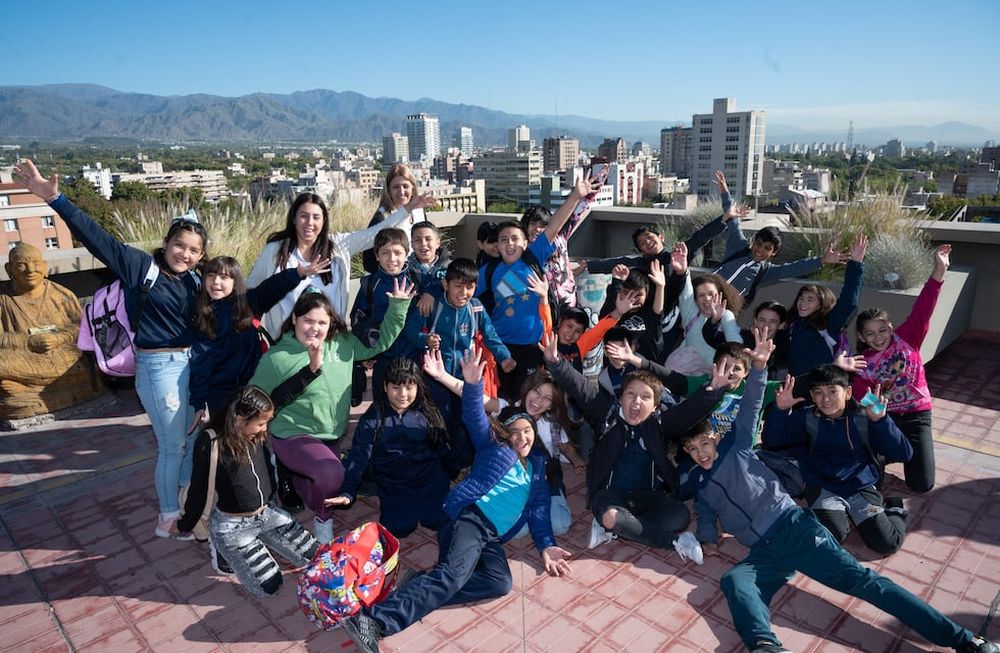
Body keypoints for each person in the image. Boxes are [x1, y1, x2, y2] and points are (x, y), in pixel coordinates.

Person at [680, 331, 998, 653]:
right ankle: (765, 645)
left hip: (794, 527)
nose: (700, 452)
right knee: (735, 581)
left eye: (704, 443)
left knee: (864, 582)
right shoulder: (698, 481)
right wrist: (706, 534)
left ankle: (964, 639)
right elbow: (706, 508)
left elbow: (750, 406)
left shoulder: (738, 449)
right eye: (692, 449)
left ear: (716, 438)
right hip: (765, 550)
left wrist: (760, 367)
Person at [14, 159, 207, 539]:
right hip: (158, 369)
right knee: (171, 445)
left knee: (190, 436)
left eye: (194, 250)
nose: (185, 254)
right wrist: (55, 198)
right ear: (166, 243)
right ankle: (168, 516)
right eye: (179, 246)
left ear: (202, 255)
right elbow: (97, 237)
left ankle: (188, 500)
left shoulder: (195, 281)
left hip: (189, 365)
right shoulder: (141, 267)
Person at [341, 346, 574, 653]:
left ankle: (419, 581)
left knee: (498, 582)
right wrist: (474, 385)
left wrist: (546, 545)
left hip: (491, 536)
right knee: (452, 575)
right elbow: (476, 418)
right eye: (515, 432)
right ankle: (375, 620)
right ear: (505, 435)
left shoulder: (536, 470)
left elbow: (540, 511)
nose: (522, 437)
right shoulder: (496, 449)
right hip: (469, 518)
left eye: (528, 432)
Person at [248, 279, 413, 543]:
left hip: (332, 434)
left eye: (322, 322)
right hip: (292, 434)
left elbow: (380, 344)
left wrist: (398, 307)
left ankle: (297, 476)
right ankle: (322, 518)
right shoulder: (277, 357)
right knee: (332, 475)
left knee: (332, 476)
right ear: (294, 320)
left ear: (331, 324)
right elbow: (253, 397)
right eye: (307, 321)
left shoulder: (343, 344)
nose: (315, 328)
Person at [540, 332, 729, 560]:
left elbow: (689, 411)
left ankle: (617, 528)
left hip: (646, 497)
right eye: (630, 395)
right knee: (610, 515)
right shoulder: (607, 414)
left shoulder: (660, 424)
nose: (636, 402)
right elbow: (580, 387)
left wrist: (713, 391)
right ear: (621, 399)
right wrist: (556, 363)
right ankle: (674, 541)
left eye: (645, 397)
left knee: (680, 516)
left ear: (655, 405)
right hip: (609, 495)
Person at [173, 386, 319, 596]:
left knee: (316, 556)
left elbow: (283, 393)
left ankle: (259, 544)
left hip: (267, 514)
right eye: (260, 424)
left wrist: (313, 367)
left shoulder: (252, 430)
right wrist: (183, 525)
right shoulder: (211, 442)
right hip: (234, 527)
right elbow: (199, 490)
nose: (264, 429)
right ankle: (222, 548)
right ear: (240, 420)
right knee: (270, 587)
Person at [247, 187, 434, 339]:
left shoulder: (338, 245)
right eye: (304, 216)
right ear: (294, 218)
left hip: (331, 342)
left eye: (316, 217)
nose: (309, 223)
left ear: (324, 221)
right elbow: (252, 291)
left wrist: (408, 208)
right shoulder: (275, 251)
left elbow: (374, 233)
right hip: (287, 344)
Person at [763, 365, 911, 556]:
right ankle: (841, 516)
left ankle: (894, 508)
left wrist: (881, 421)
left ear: (848, 392)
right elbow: (772, 441)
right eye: (818, 393)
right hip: (823, 487)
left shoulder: (864, 416)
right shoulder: (807, 417)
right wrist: (780, 410)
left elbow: (905, 453)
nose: (826, 399)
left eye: (833, 391)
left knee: (887, 544)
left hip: (860, 487)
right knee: (832, 536)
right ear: (812, 396)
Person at [478, 174, 602, 399]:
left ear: (526, 243)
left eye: (515, 238)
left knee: (533, 397)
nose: (510, 243)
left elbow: (554, 226)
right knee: (505, 398)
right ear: (496, 245)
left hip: (534, 346)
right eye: (503, 239)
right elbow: (465, 295)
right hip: (501, 347)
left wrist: (575, 196)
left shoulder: (533, 258)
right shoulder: (487, 271)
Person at [852, 244, 952, 494]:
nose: (878, 337)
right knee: (871, 480)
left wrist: (939, 271)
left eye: (883, 330)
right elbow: (861, 397)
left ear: (891, 328)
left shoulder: (908, 338)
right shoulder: (861, 363)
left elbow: (925, 305)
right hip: (886, 419)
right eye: (870, 334)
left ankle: (900, 453)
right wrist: (882, 427)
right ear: (862, 337)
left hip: (918, 416)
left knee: (922, 484)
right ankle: (887, 453)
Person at [188, 255, 329, 428]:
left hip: (253, 386)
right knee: (226, 437)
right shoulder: (204, 314)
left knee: (255, 434)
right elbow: (201, 361)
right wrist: (199, 402)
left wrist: (298, 273)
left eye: (224, 277)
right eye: (210, 276)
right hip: (220, 392)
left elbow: (273, 286)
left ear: (235, 282)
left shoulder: (250, 302)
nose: (216, 282)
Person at [329, 358, 451, 538]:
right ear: (385, 387)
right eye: (396, 387)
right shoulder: (373, 418)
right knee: (399, 528)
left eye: (409, 387)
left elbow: (444, 449)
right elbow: (359, 456)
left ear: (418, 387)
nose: (403, 394)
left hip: (429, 479)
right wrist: (348, 490)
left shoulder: (428, 412)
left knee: (437, 521)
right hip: (394, 483)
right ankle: (372, 487)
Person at [0, 243, 103, 419]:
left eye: (35, 263)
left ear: (45, 266)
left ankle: (28, 390)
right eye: (22, 264)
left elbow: (82, 327)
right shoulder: (4, 300)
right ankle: (58, 387)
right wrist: (28, 342)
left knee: (84, 357)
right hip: (26, 357)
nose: (30, 269)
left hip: (62, 354)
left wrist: (59, 339)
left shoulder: (61, 294)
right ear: (10, 269)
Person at [349, 227, 422, 401]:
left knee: (412, 402)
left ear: (407, 253)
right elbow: (358, 318)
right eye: (385, 253)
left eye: (398, 252)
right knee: (381, 403)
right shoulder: (370, 283)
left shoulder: (418, 278)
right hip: (382, 356)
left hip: (412, 355)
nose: (392, 259)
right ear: (376, 256)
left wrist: (428, 295)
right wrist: (366, 352)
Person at [713, 210, 845, 304]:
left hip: (723, 310)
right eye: (758, 244)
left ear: (774, 252)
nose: (760, 250)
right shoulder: (739, 248)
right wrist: (724, 190)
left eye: (767, 248)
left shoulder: (766, 272)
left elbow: (794, 268)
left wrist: (821, 260)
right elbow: (733, 222)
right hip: (704, 295)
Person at [787, 235, 867, 376]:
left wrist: (855, 265)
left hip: (820, 387)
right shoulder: (793, 325)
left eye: (810, 299)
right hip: (796, 386)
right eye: (801, 298)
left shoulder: (828, 326)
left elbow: (848, 302)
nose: (803, 303)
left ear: (820, 306)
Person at [669, 242, 744, 375]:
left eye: (711, 294)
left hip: (713, 375)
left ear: (721, 295)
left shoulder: (726, 315)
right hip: (686, 373)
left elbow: (734, 339)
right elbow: (685, 292)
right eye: (701, 295)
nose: (707, 299)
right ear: (695, 300)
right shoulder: (691, 313)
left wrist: (739, 353)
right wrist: (682, 270)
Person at [360, 164, 431, 274]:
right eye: (396, 187)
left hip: (416, 275)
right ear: (388, 190)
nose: (401, 192)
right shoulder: (382, 218)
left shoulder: (419, 212)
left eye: (405, 186)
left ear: (413, 187)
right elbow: (368, 262)